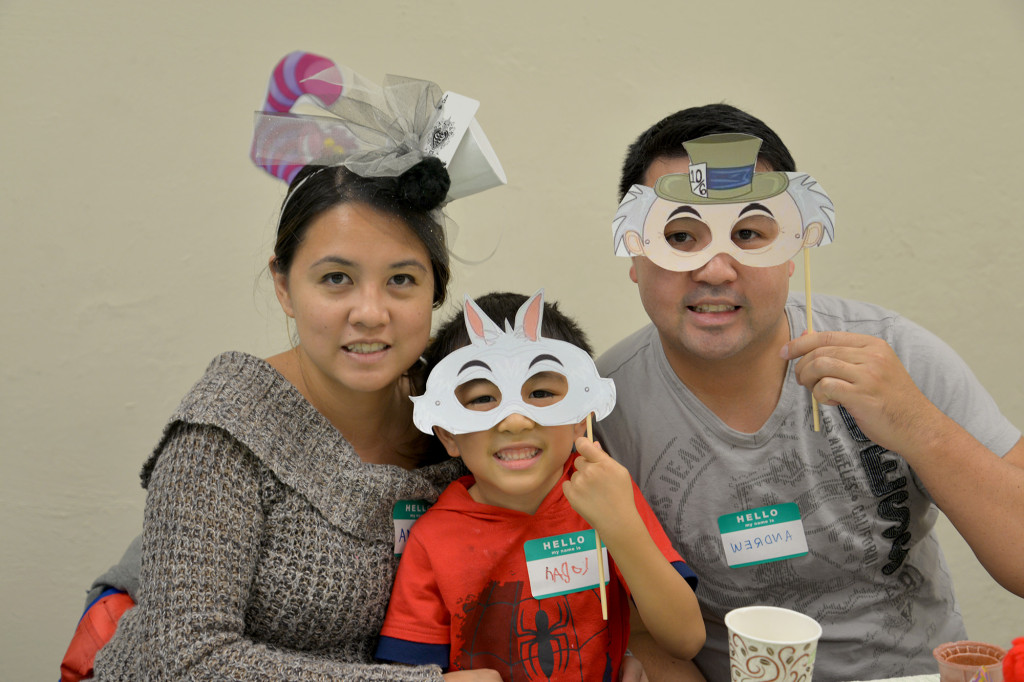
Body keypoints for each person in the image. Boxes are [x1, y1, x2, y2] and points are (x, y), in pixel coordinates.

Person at [595, 103, 1024, 682]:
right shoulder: (601, 407)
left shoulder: (893, 353)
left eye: (748, 234)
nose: (716, 268)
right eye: (680, 237)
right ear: (633, 253)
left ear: (794, 247)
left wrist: (916, 424)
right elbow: (638, 627)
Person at [375, 291, 704, 680]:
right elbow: (405, 671)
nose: (515, 421)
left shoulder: (608, 494)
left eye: (542, 393)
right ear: (448, 433)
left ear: (581, 414)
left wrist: (620, 528)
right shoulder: (432, 539)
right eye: (482, 398)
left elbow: (685, 639)